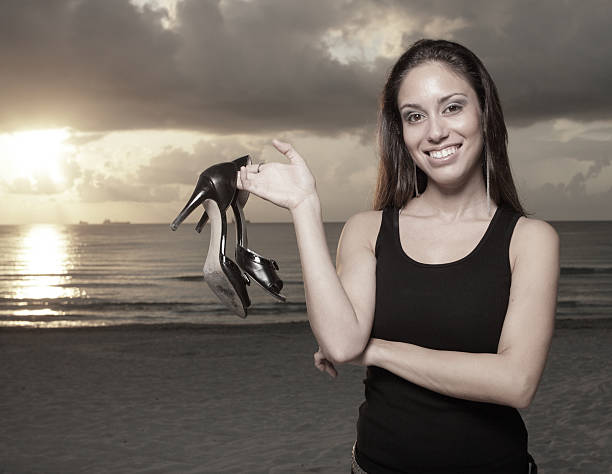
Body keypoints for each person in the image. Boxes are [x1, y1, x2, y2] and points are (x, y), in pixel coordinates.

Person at [236, 39, 559, 473]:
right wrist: (304, 206)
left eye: (452, 107)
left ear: (485, 112)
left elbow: (517, 382)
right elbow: (340, 342)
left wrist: (377, 351)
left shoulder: (529, 239)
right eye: (415, 116)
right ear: (401, 133)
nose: (435, 132)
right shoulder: (369, 230)